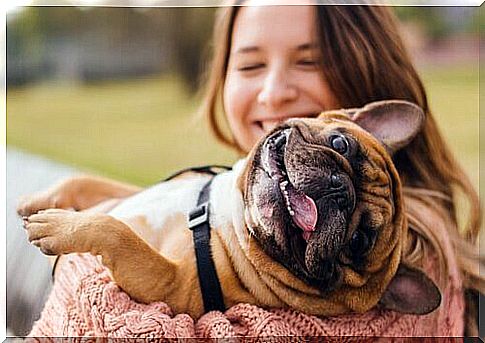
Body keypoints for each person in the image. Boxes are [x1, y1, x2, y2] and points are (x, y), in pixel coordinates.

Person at [23, 3, 483, 337]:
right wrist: (83, 192)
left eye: (309, 60)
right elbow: (160, 210)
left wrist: (82, 254)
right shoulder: (236, 196)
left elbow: (109, 320)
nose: (273, 92)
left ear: (367, 75)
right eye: (250, 64)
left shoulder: (405, 269)